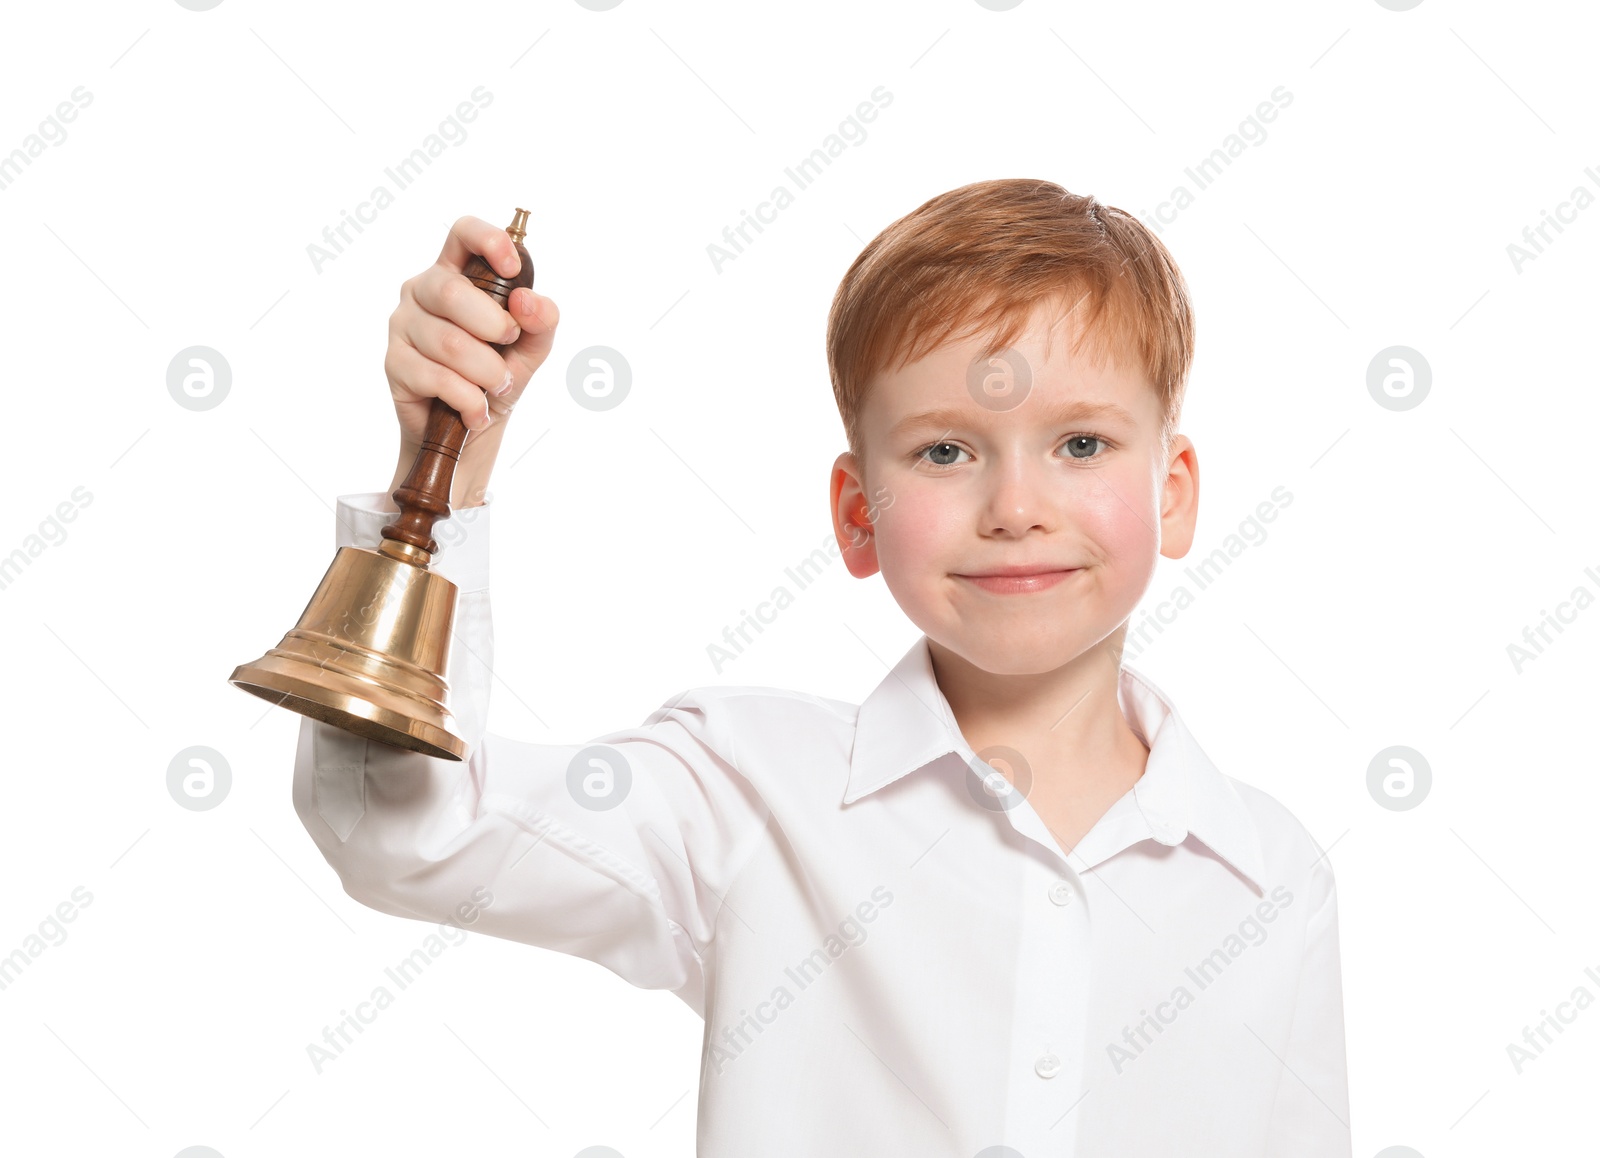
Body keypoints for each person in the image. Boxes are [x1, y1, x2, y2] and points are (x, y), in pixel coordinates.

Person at [292, 178, 1350, 1156]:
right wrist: (447, 475)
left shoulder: (1272, 876)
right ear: (857, 516)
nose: (1016, 506)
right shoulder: (744, 791)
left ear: (1172, 492)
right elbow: (406, 834)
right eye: (946, 451)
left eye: (1079, 444)